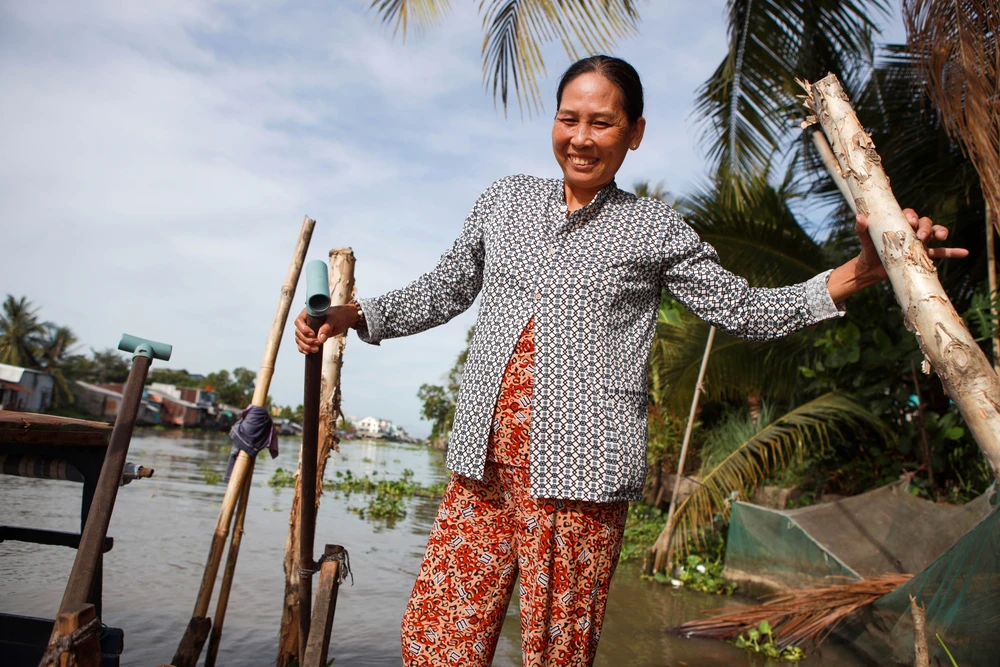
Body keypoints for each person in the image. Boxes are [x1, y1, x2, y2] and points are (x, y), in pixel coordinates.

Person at [294, 55, 964, 667]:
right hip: (482, 471)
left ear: (634, 132)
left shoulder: (652, 229)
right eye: (569, 119)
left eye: (602, 123)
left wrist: (857, 272)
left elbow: (748, 311)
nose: (581, 138)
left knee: (557, 655)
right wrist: (353, 316)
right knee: (436, 642)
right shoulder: (504, 201)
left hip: (579, 479)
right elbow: (444, 289)